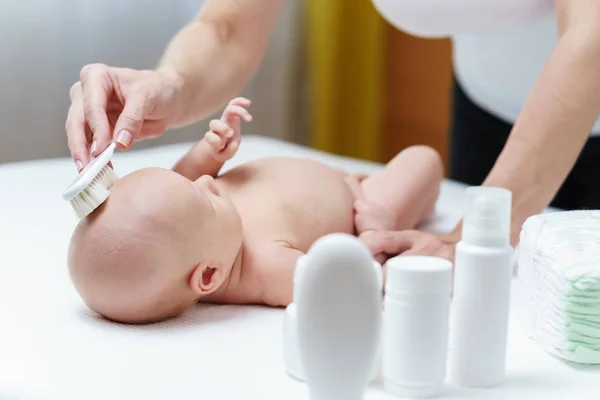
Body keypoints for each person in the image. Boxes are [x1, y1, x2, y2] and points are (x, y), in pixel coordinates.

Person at [65, 0, 600, 263]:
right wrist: (168, 83)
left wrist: (472, 241)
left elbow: (590, 40)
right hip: (489, 107)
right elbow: (228, 29)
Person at [67, 97, 442, 324]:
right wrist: (373, 235)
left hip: (332, 177)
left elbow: (187, 178)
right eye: (207, 199)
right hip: (361, 200)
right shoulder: (266, 268)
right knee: (423, 160)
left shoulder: (184, 225)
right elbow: (344, 281)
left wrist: (210, 151)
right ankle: (388, 220)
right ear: (209, 275)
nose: (206, 182)